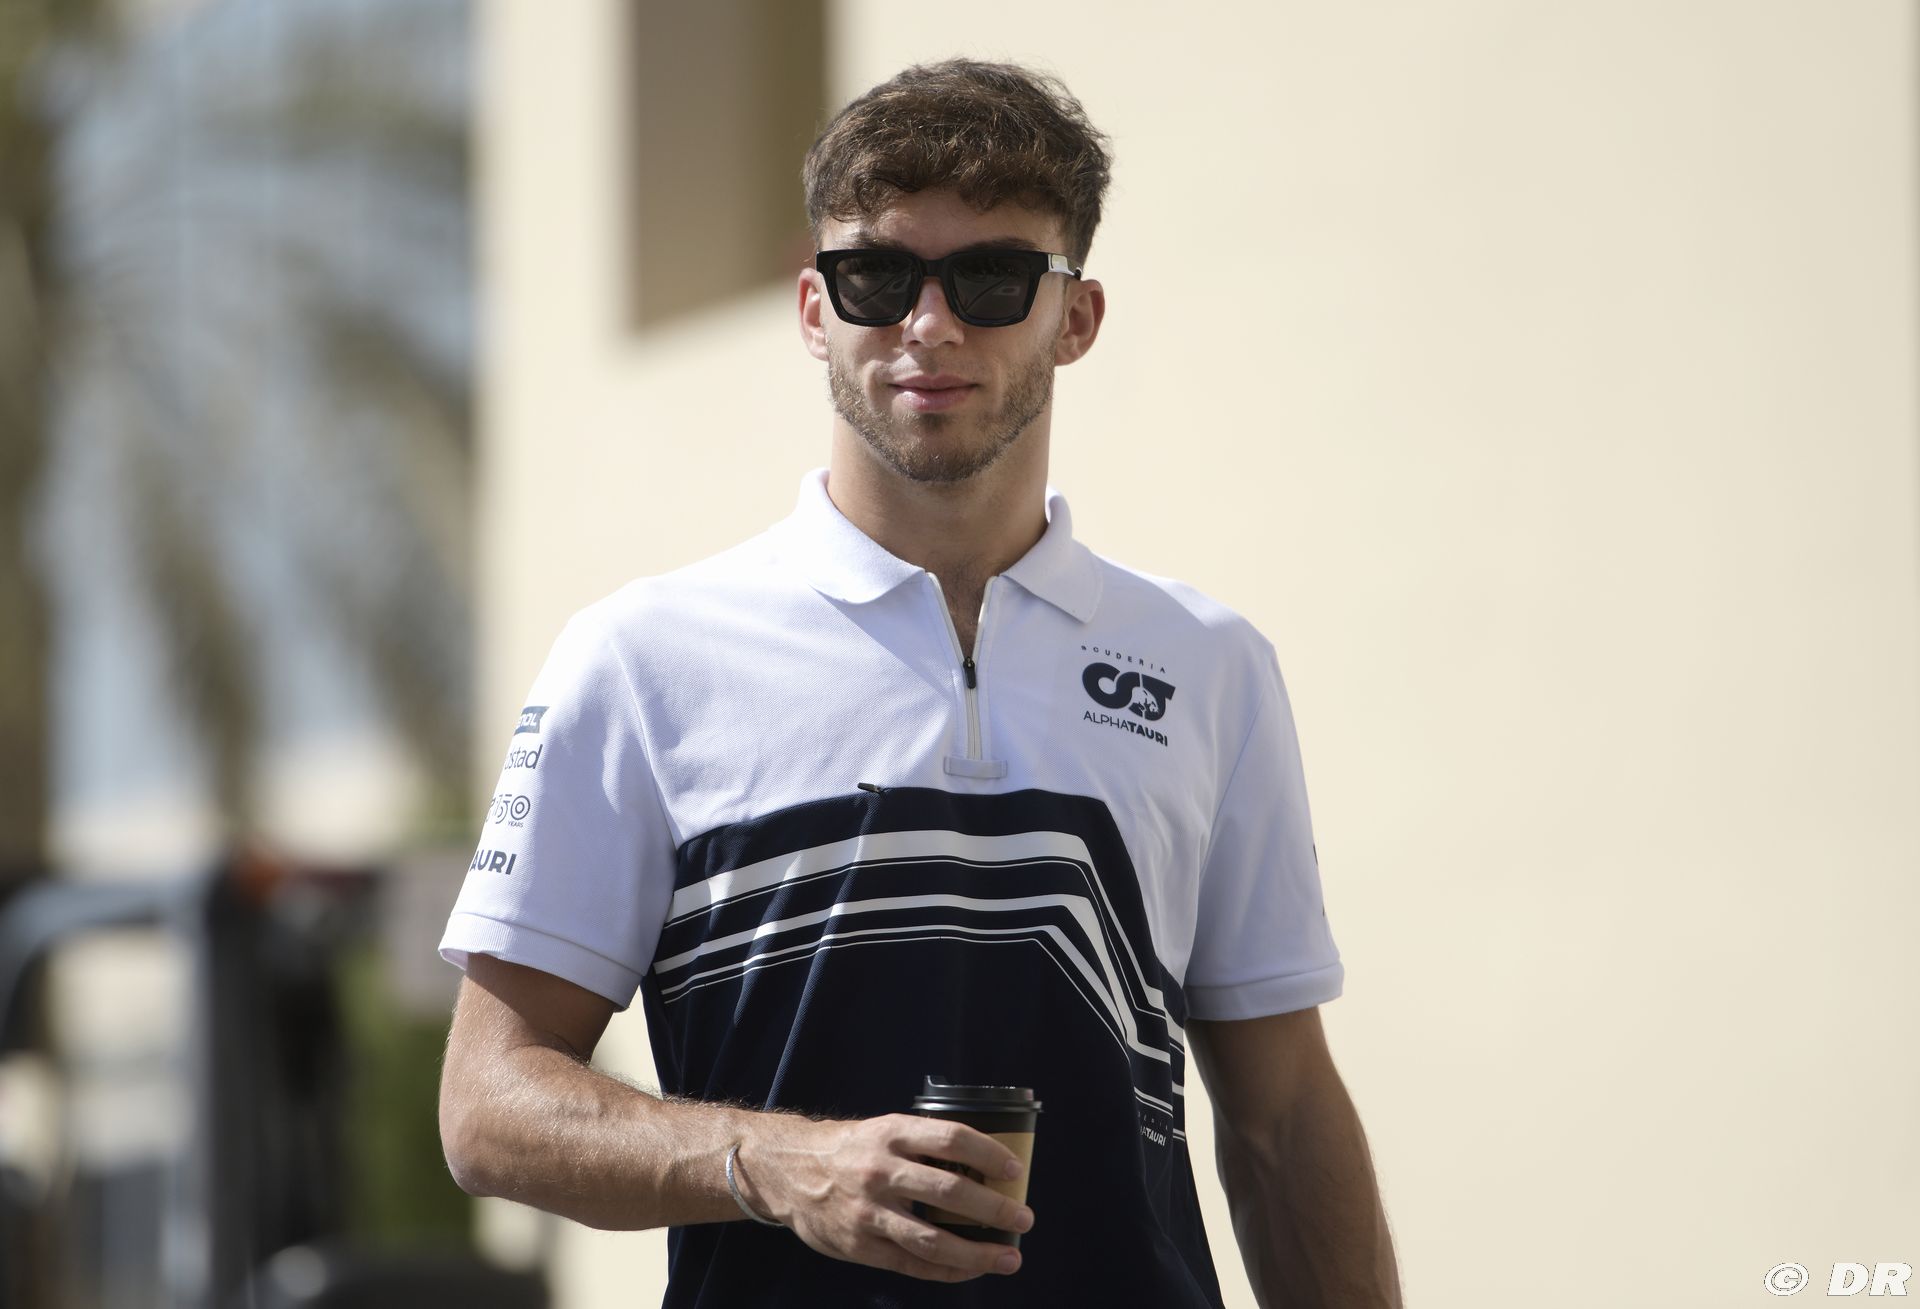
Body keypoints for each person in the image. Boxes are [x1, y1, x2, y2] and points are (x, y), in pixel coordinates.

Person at [437, 58, 1403, 1309]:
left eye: (992, 279)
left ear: (1076, 318)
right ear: (813, 308)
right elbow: (488, 1103)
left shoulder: (1211, 665)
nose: (930, 325)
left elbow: (1285, 1120)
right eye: (879, 278)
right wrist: (779, 1164)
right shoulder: (637, 659)